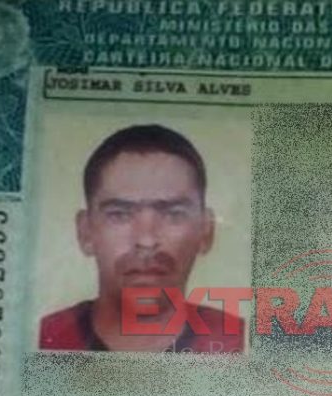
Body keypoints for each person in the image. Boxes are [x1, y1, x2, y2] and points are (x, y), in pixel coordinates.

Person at [39, 125, 244, 353]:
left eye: (174, 214)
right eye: (119, 215)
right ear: (85, 231)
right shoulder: (41, 339)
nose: (146, 241)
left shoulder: (242, 344)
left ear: (206, 231)